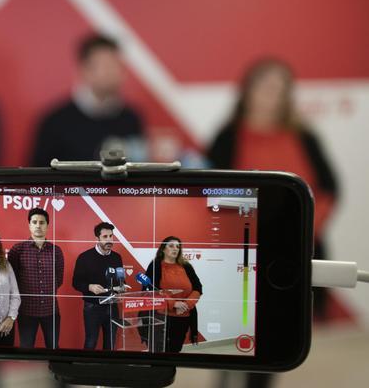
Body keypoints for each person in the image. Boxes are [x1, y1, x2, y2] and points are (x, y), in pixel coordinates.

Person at [207, 58, 339, 388]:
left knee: (273, 342)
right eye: (266, 86)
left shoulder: (304, 136)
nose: (272, 95)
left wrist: (306, 230)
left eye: (280, 89)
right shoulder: (227, 137)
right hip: (240, 256)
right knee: (227, 343)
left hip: (292, 254)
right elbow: (210, 196)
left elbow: (329, 188)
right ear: (247, 91)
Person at [31, 33, 146, 167]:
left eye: (116, 64)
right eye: (104, 65)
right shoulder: (55, 122)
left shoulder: (131, 118)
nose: (112, 72)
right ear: (84, 70)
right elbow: (37, 179)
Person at [7, 208, 65, 349]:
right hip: (26, 311)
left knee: (53, 348)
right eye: (34, 222)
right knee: (26, 347)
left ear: (47, 225)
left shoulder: (56, 250)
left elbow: (59, 279)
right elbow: (11, 281)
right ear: (29, 225)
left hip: (50, 311)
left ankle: (55, 371)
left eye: (42, 222)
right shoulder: (18, 250)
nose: (38, 225)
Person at [139, 236, 202, 353]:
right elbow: (150, 291)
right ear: (163, 249)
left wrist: (186, 305)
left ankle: (170, 371)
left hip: (183, 316)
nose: (175, 249)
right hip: (161, 317)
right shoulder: (155, 265)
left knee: (175, 350)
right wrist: (174, 304)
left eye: (178, 247)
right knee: (158, 351)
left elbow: (198, 288)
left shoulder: (186, 266)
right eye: (171, 246)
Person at [72, 222, 124, 350]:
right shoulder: (84, 257)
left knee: (110, 343)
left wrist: (122, 287)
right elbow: (76, 282)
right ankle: (87, 369)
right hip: (92, 307)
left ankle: (107, 368)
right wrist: (90, 287)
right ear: (97, 238)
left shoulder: (117, 257)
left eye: (111, 236)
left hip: (112, 306)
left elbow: (121, 279)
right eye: (105, 237)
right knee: (91, 341)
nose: (109, 240)